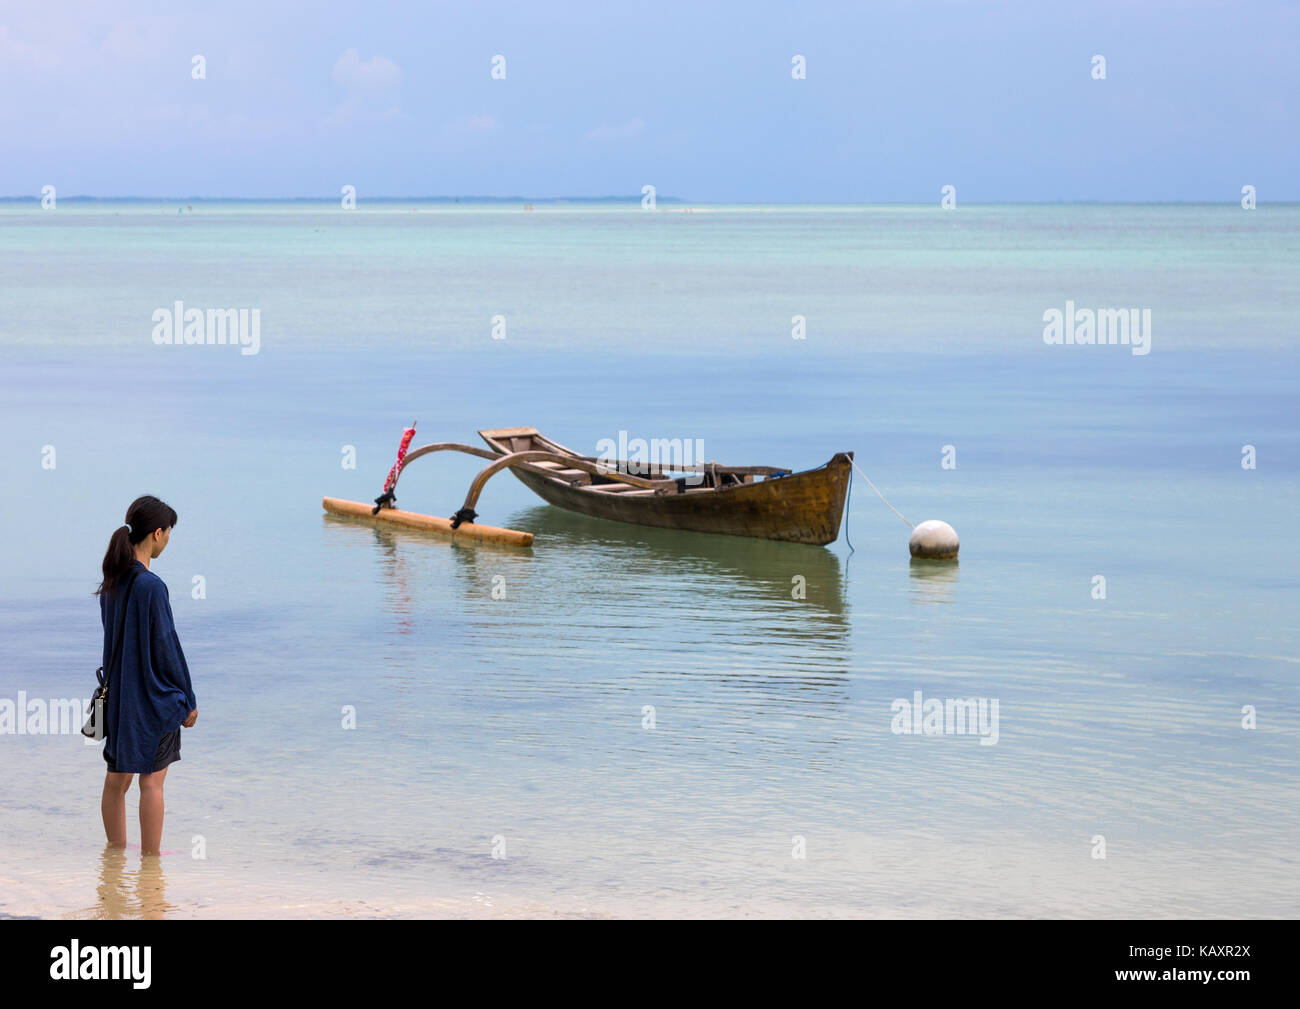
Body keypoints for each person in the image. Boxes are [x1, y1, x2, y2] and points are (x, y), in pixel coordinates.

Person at [95, 495, 198, 856]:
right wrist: (188, 699)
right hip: (153, 701)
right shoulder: (152, 587)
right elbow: (167, 647)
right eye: (168, 532)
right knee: (152, 784)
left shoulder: (112, 582)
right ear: (157, 533)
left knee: (116, 782)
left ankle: (114, 855)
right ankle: (151, 863)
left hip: (121, 700)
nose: (168, 539)